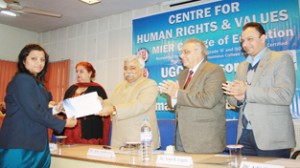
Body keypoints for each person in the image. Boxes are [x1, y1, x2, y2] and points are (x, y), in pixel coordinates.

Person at [222, 22, 296, 158]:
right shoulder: (242, 66)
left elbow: (284, 95)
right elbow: (236, 100)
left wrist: (246, 92)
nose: (245, 44)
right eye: (242, 40)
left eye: (250, 39)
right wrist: (236, 97)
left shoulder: (281, 59)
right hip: (244, 135)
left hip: (272, 137)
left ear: (263, 38)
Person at [0, 44, 77, 167]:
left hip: (33, 143)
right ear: (24, 61)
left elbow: (33, 109)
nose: (39, 63)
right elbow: (34, 111)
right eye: (34, 58)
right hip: (21, 145)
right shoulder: (22, 80)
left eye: (42, 60)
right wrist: (63, 123)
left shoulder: (35, 83)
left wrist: (56, 109)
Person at [159, 38, 226, 153]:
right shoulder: (182, 74)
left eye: (186, 52)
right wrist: (172, 96)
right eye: (181, 52)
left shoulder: (214, 70)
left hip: (204, 141)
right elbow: (176, 105)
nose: (181, 56)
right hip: (181, 138)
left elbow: (208, 100)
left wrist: (176, 93)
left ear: (200, 52)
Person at [97, 55, 160, 149]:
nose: (128, 71)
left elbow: (140, 105)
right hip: (119, 141)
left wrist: (114, 109)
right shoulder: (120, 86)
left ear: (142, 69)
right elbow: (110, 103)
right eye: (125, 68)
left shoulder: (150, 85)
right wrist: (99, 102)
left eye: (132, 68)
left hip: (140, 141)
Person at [63, 62, 110, 145]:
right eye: (77, 71)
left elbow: (107, 110)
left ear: (89, 73)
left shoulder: (98, 89)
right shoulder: (71, 89)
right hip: (71, 129)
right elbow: (64, 109)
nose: (78, 74)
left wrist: (101, 103)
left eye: (81, 71)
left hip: (90, 130)